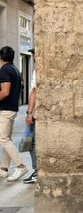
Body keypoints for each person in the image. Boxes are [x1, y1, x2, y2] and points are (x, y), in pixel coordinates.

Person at [0, 46, 27, 181]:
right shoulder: (15, 69)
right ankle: (4, 168)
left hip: (5, 109)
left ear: (1, 57)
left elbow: (5, 92)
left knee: (3, 139)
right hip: (12, 108)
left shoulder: (4, 70)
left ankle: (20, 165)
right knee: (7, 139)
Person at [23, 48, 37, 184]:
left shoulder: (37, 71)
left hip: (36, 113)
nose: (33, 56)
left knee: (32, 143)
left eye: (34, 54)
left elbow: (34, 91)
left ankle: (37, 170)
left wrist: (29, 113)